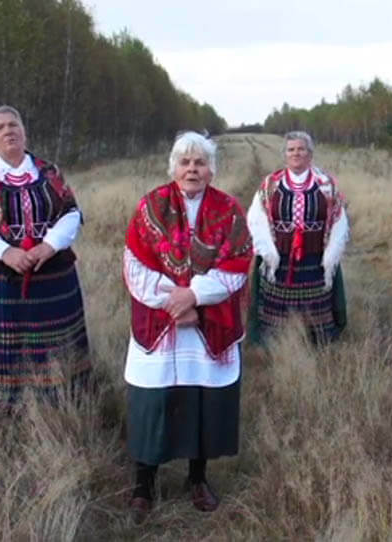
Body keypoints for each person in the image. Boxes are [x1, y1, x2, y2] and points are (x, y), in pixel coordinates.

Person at [123, 132, 251, 522]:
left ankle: (197, 478)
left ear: (211, 169)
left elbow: (238, 264)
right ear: (173, 168)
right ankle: (144, 482)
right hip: (161, 321)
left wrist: (194, 298)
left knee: (202, 402)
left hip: (207, 321)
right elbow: (136, 265)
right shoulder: (151, 206)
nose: (192, 169)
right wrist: (174, 304)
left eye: (199, 162)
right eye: (185, 162)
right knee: (154, 402)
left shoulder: (228, 210)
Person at [0, 105, 90, 410]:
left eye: (13, 125)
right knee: (4, 352)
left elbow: (71, 213)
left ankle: (62, 406)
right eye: (0, 127)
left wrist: (49, 245)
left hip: (52, 280)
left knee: (55, 349)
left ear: (24, 130)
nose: (8, 131)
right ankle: (3, 412)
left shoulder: (49, 171)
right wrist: (5, 252)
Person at [246, 131, 349, 344]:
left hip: (315, 256)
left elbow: (339, 218)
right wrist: (268, 252)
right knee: (277, 302)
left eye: (301, 149)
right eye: (291, 149)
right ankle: (277, 342)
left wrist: (331, 255)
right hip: (279, 256)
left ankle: (318, 340)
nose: (296, 153)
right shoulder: (270, 184)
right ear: (284, 154)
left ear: (310, 154)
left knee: (316, 301)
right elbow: (257, 218)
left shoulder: (326, 184)